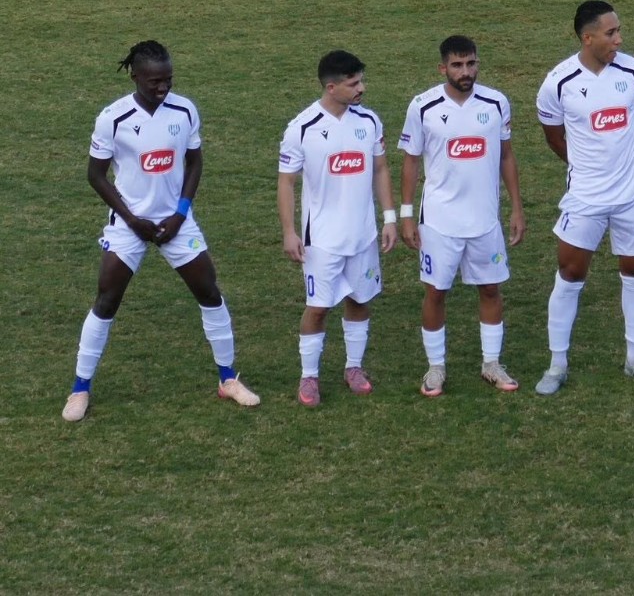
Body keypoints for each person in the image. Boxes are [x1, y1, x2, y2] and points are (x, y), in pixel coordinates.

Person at [63, 41, 261, 421]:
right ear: (135, 76)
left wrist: (181, 214)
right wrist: (132, 219)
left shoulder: (184, 110)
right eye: (155, 81)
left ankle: (228, 379)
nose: (163, 87)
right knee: (106, 300)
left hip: (176, 222)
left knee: (210, 292)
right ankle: (80, 389)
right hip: (129, 224)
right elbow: (96, 175)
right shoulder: (113, 118)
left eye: (168, 79)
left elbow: (195, 162)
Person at [533, 0, 634, 394]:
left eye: (618, 30)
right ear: (587, 37)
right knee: (570, 272)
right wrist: (588, 165)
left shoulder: (633, 70)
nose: (619, 39)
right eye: (611, 33)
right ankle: (557, 365)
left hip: (633, 192)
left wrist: (621, 161)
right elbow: (554, 137)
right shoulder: (558, 82)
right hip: (586, 196)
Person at [399, 35, 527, 396]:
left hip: (485, 220)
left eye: (471, 63)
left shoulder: (496, 102)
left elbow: (506, 156)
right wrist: (407, 215)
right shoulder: (422, 106)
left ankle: (491, 363)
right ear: (443, 68)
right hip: (439, 222)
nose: (465, 71)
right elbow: (410, 161)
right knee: (435, 292)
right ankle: (435, 367)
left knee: (490, 288)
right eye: (457, 65)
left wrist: (517, 207)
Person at [278, 50, 398, 406]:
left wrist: (389, 218)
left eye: (361, 81)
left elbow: (380, 169)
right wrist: (289, 232)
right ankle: (309, 375)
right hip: (322, 240)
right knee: (318, 307)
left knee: (360, 300)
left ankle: (353, 367)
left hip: (363, 236)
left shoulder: (369, 121)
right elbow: (286, 182)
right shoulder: (302, 128)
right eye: (354, 83)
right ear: (331, 87)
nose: (362, 89)